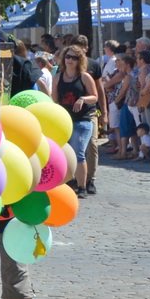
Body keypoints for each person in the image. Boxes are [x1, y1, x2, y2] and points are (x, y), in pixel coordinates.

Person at [52, 45, 99, 195]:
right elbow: (54, 100)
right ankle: (67, 182)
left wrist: (83, 99)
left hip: (82, 121)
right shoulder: (58, 77)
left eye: (74, 58)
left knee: (78, 152)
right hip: (64, 122)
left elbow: (95, 97)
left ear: (80, 60)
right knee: (66, 153)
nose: (70, 60)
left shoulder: (84, 77)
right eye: (68, 57)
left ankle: (82, 186)